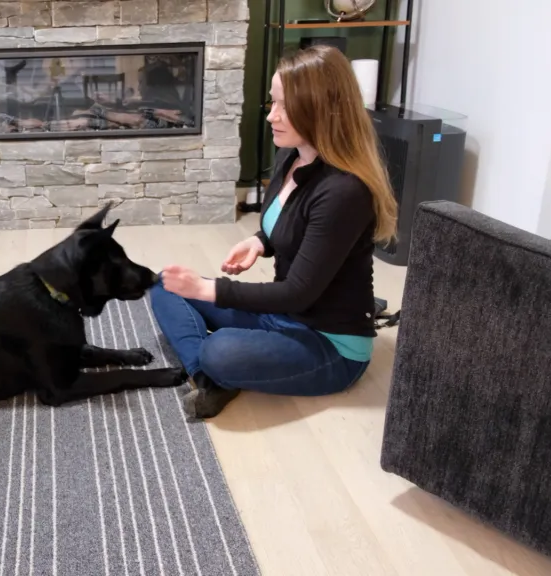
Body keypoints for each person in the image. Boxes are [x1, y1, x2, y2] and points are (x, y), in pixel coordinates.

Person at [149, 45, 399, 419]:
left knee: (221, 350)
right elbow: (290, 226)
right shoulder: (292, 154)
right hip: (282, 315)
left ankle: (214, 368)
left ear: (321, 108)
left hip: (328, 342)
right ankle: (210, 379)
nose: (271, 116)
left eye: (284, 106)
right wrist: (259, 242)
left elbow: (298, 293)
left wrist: (207, 290)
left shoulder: (345, 191)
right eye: (272, 102)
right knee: (163, 284)